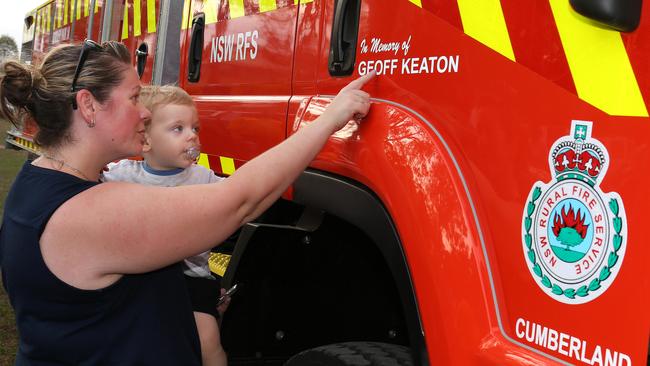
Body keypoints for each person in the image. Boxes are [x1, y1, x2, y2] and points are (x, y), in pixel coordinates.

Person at [0, 39, 373, 365]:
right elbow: (239, 201)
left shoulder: (41, 181)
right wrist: (330, 119)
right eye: (133, 97)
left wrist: (176, 301)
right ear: (88, 105)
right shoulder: (90, 212)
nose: (145, 111)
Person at [101, 85, 229, 366]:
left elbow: (236, 197)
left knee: (207, 343)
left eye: (195, 127)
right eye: (178, 128)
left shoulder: (203, 177)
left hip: (192, 280)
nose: (192, 135)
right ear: (145, 140)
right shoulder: (122, 175)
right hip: (138, 279)